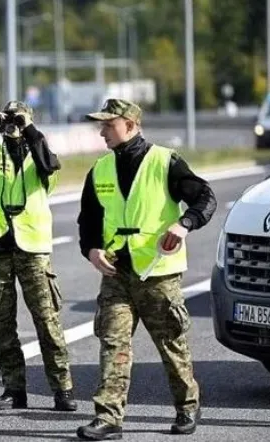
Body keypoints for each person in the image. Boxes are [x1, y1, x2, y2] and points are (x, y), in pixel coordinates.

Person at [75, 99, 217, 440]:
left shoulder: (164, 161)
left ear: (130, 124)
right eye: (101, 125)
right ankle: (108, 418)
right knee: (112, 343)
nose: (102, 131)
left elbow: (205, 197)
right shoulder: (100, 169)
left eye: (108, 125)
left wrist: (184, 224)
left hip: (157, 272)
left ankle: (187, 407)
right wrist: (92, 251)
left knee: (171, 344)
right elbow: (89, 222)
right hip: (117, 273)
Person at [0, 100, 77, 412]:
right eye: (8, 118)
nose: (11, 122)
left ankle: (62, 389)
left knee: (47, 321)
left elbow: (49, 167)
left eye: (17, 118)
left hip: (33, 248)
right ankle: (14, 389)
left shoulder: (40, 153)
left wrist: (29, 129)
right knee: (1, 322)